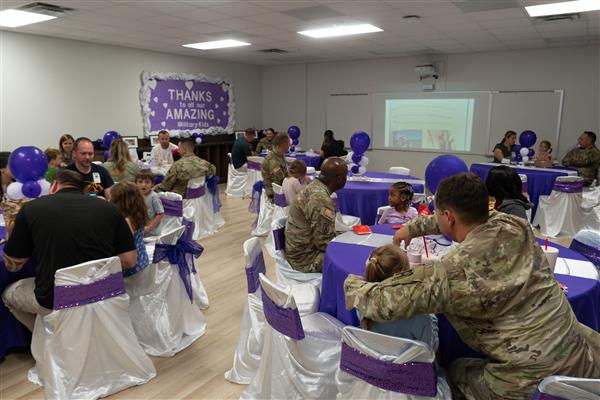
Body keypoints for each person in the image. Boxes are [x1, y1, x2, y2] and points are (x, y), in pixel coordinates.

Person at [344, 173, 600, 400]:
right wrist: (412, 229)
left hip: (530, 381)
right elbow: (452, 218)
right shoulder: (515, 225)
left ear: (449, 216)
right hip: (579, 357)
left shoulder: (454, 271)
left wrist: (351, 282)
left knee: (455, 370)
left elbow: (384, 302)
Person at [1, 170, 136, 331]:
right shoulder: (110, 209)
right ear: (82, 189)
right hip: (104, 293)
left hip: (56, 298)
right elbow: (129, 260)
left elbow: (15, 263)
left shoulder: (31, 208)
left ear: (54, 185)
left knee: (8, 294)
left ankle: (50, 334)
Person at [361, 244, 438, 351]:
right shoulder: (419, 316)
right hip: (409, 366)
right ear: (403, 276)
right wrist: (431, 314)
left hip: (375, 362)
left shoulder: (361, 303)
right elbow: (430, 349)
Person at [285, 157, 348, 273]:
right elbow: (323, 243)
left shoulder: (314, 186)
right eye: (346, 176)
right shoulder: (321, 200)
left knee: (348, 239)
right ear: (339, 178)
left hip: (299, 250)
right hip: (306, 260)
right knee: (350, 257)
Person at [110, 181, 149, 277]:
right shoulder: (137, 214)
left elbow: (123, 245)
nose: (109, 200)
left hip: (131, 266)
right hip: (142, 258)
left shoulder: (125, 221)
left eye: (112, 198)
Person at [262, 132, 290, 202]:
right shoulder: (273, 161)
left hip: (280, 188)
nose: (289, 146)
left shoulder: (280, 155)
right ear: (280, 145)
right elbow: (279, 181)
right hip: (275, 193)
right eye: (287, 144)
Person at [135, 171, 164, 236]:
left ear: (152, 184)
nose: (143, 185)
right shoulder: (135, 195)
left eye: (147, 182)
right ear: (136, 183)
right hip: (139, 229)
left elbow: (160, 214)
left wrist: (149, 228)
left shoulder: (154, 196)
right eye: (140, 182)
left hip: (151, 232)